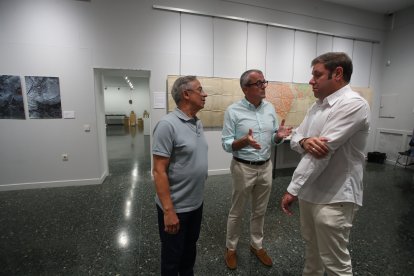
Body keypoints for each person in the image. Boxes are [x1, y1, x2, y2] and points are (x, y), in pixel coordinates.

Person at [281, 52, 371, 276]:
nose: (311, 80)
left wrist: (292, 189)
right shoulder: (317, 107)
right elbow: (294, 138)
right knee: (312, 254)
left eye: (317, 75)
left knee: (335, 264)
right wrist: (303, 140)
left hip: (335, 197)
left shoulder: (353, 104)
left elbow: (322, 153)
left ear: (338, 73)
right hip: (310, 193)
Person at [222, 69, 292, 270]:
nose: (264, 86)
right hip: (243, 167)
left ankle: (256, 245)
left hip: (265, 167)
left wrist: (278, 137)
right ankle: (231, 248)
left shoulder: (270, 109)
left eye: (264, 82)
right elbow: (226, 144)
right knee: (237, 211)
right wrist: (244, 141)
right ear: (245, 88)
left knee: (260, 211)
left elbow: (272, 139)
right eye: (259, 83)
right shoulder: (233, 111)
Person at [152, 75, 208, 276]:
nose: (205, 94)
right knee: (171, 258)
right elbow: (158, 170)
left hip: (195, 204)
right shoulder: (167, 125)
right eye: (200, 90)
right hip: (175, 207)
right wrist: (168, 211)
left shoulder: (196, 122)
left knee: (188, 252)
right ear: (186, 94)